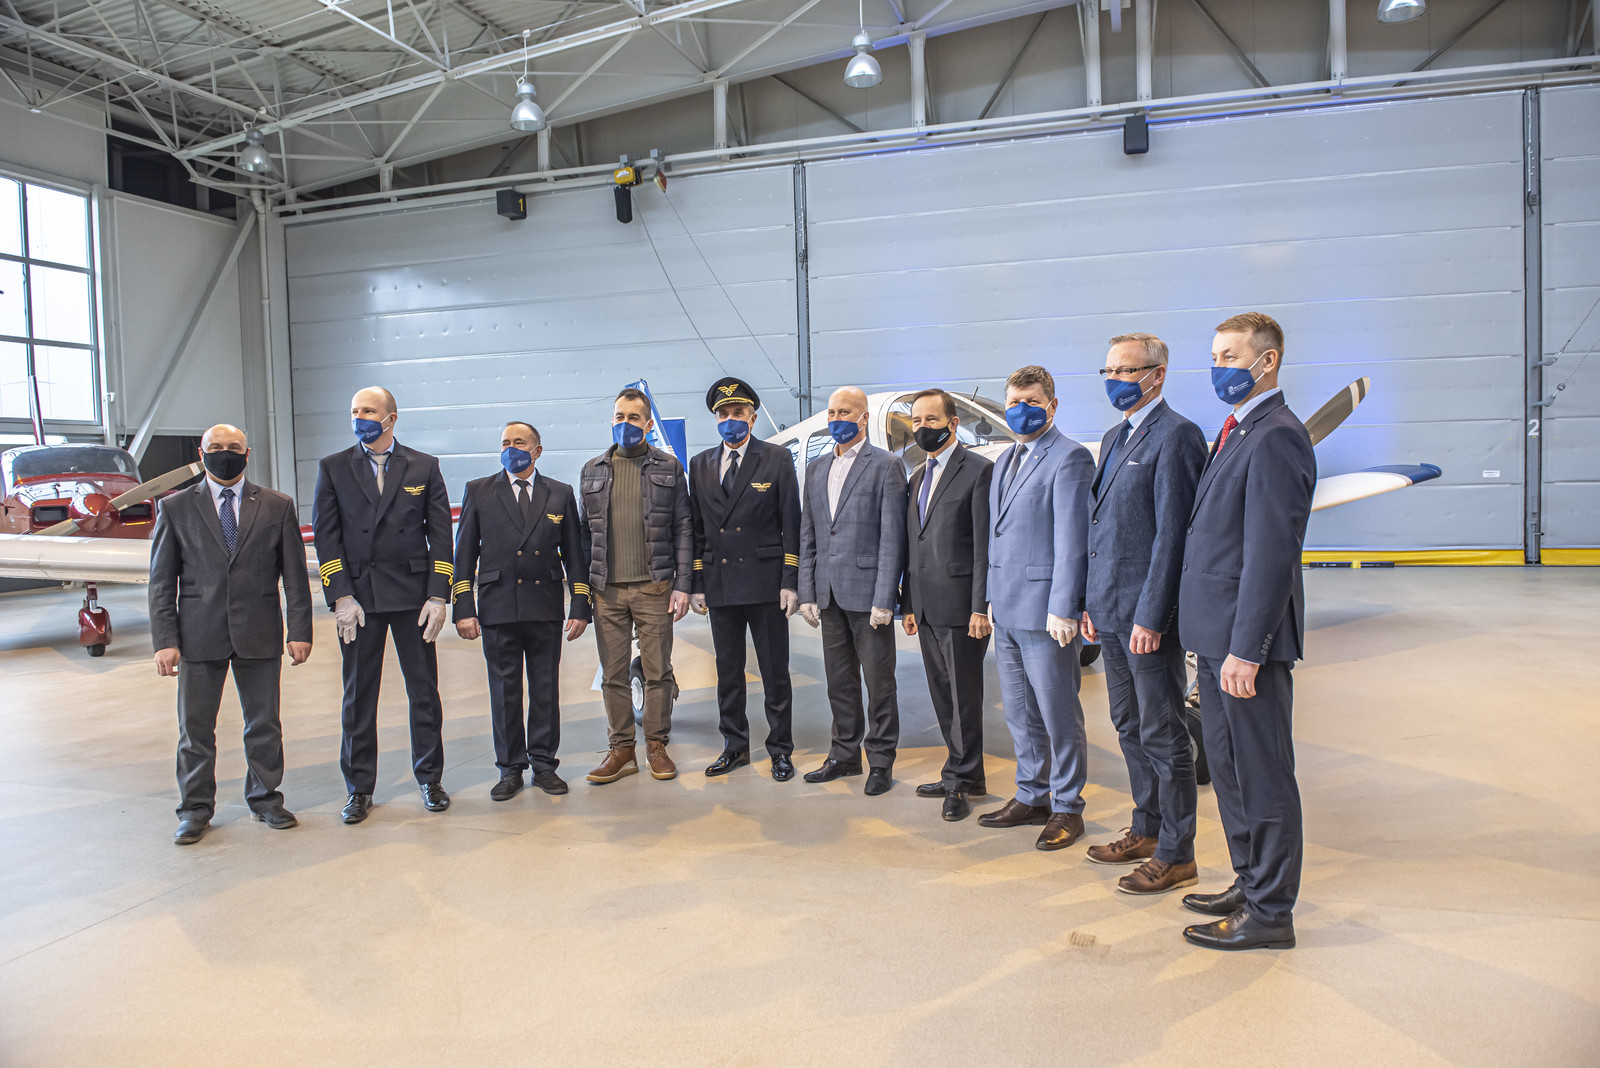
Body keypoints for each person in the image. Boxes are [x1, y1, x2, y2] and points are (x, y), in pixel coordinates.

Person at [1176, 312, 1317, 951]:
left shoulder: (1278, 436)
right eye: (1214, 356)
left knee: (1263, 775)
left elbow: (1270, 555)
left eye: (1230, 356)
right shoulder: (1236, 430)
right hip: (1214, 639)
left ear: (1268, 360)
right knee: (1230, 771)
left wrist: (1246, 650)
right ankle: (1249, 880)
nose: (1219, 368)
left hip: (1243, 645)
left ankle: (1271, 913)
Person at [1080, 334, 1208, 893]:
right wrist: (1090, 602)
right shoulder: (1115, 437)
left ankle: (1178, 854)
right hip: (1109, 611)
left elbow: (1172, 536)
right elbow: (1101, 530)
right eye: (1108, 370)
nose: (1115, 380)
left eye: (1126, 370)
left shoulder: (1177, 435)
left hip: (1145, 619)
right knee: (1128, 724)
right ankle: (1147, 829)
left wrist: (1153, 616)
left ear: (1157, 374)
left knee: (1163, 732)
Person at [149, 423, 312, 845]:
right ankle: (194, 809)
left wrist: (299, 630)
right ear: (201, 454)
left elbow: (295, 576)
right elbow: (162, 581)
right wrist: (165, 640)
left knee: (264, 724)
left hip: (259, 631)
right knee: (196, 730)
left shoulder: (277, 505)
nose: (226, 453)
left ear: (247, 452)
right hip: (198, 635)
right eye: (217, 447)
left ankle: (266, 799)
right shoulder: (175, 507)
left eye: (234, 447)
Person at [313, 386, 454, 824]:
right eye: (355, 410)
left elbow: (441, 535)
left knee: (424, 692)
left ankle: (430, 779)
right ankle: (358, 788)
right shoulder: (334, 467)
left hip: (412, 597)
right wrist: (340, 595)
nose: (360, 418)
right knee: (358, 696)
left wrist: (438, 594)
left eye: (369, 411)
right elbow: (326, 537)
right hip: (361, 598)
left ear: (391, 418)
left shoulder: (423, 466)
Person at [978, 365, 1094, 850]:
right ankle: (1032, 795)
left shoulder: (1070, 458)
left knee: (1058, 713)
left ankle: (1068, 806)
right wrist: (989, 597)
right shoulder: (1005, 460)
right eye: (1014, 402)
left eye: (1031, 401)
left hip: (1046, 611)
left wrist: (1064, 606)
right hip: (1006, 608)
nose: (1020, 410)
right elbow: (997, 536)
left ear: (1052, 405)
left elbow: (1073, 537)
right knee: (1020, 713)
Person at [453, 421, 591, 800]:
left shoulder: (559, 494)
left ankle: (544, 765)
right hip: (498, 606)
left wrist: (580, 604)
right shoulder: (479, 491)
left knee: (545, 689)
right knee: (505, 692)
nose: (510, 448)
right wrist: (464, 607)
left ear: (537, 451)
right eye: (505, 442)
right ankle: (510, 768)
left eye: (519, 442)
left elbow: (574, 555)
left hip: (544, 605)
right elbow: (464, 554)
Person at [688, 377, 803, 781]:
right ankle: (734, 746)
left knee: (775, 673)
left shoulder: (775, 459)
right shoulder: (700, 464)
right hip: (720, 583)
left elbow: (791, 524)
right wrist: (697, 583)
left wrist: (790, 580)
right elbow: (697, 529)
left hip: (765, 583)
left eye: (738, 412)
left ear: (752, 418)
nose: (730, 419)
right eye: (723, 414)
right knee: (728, 673)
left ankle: (780, 749)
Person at [577, 389, 693, 783]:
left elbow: (683, 527)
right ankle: (622, 749)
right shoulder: (592, 470)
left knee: (658, 671)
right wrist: (584, 588)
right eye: (619, 416)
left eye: (633, 417)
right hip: (606, 590)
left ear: (647, 424)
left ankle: (656, 745)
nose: (625, 424)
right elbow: (584, 533)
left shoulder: (669, 468)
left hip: (654, 587)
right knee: (613, 675)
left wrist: (682, 584)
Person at [797, 386, 908, 796]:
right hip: (828, 594)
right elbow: (809, 534)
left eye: (845, 412)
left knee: (879, 683)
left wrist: (885, 597)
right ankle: (844, 754)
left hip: (867, 595)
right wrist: (807, 591)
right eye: (831, 412)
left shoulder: (886, 466)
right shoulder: (816, 469)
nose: (836, 419)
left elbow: (892, 537)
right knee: (839, 682)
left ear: (863, 417)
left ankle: (880, 761)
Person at [900, 389, 993, 821]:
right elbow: (913, 544)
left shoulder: (979, 471)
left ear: (953, 424)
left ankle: (960, 782)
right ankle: (965, 772)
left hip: (961, 606)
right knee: (943, 695)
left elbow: (983, 546)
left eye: (931, 420)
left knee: (964, 698)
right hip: (925, 604)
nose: (923, 428)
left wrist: (980, 606)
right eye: (917, 421)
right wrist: (908, 603)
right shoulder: (917, 476)